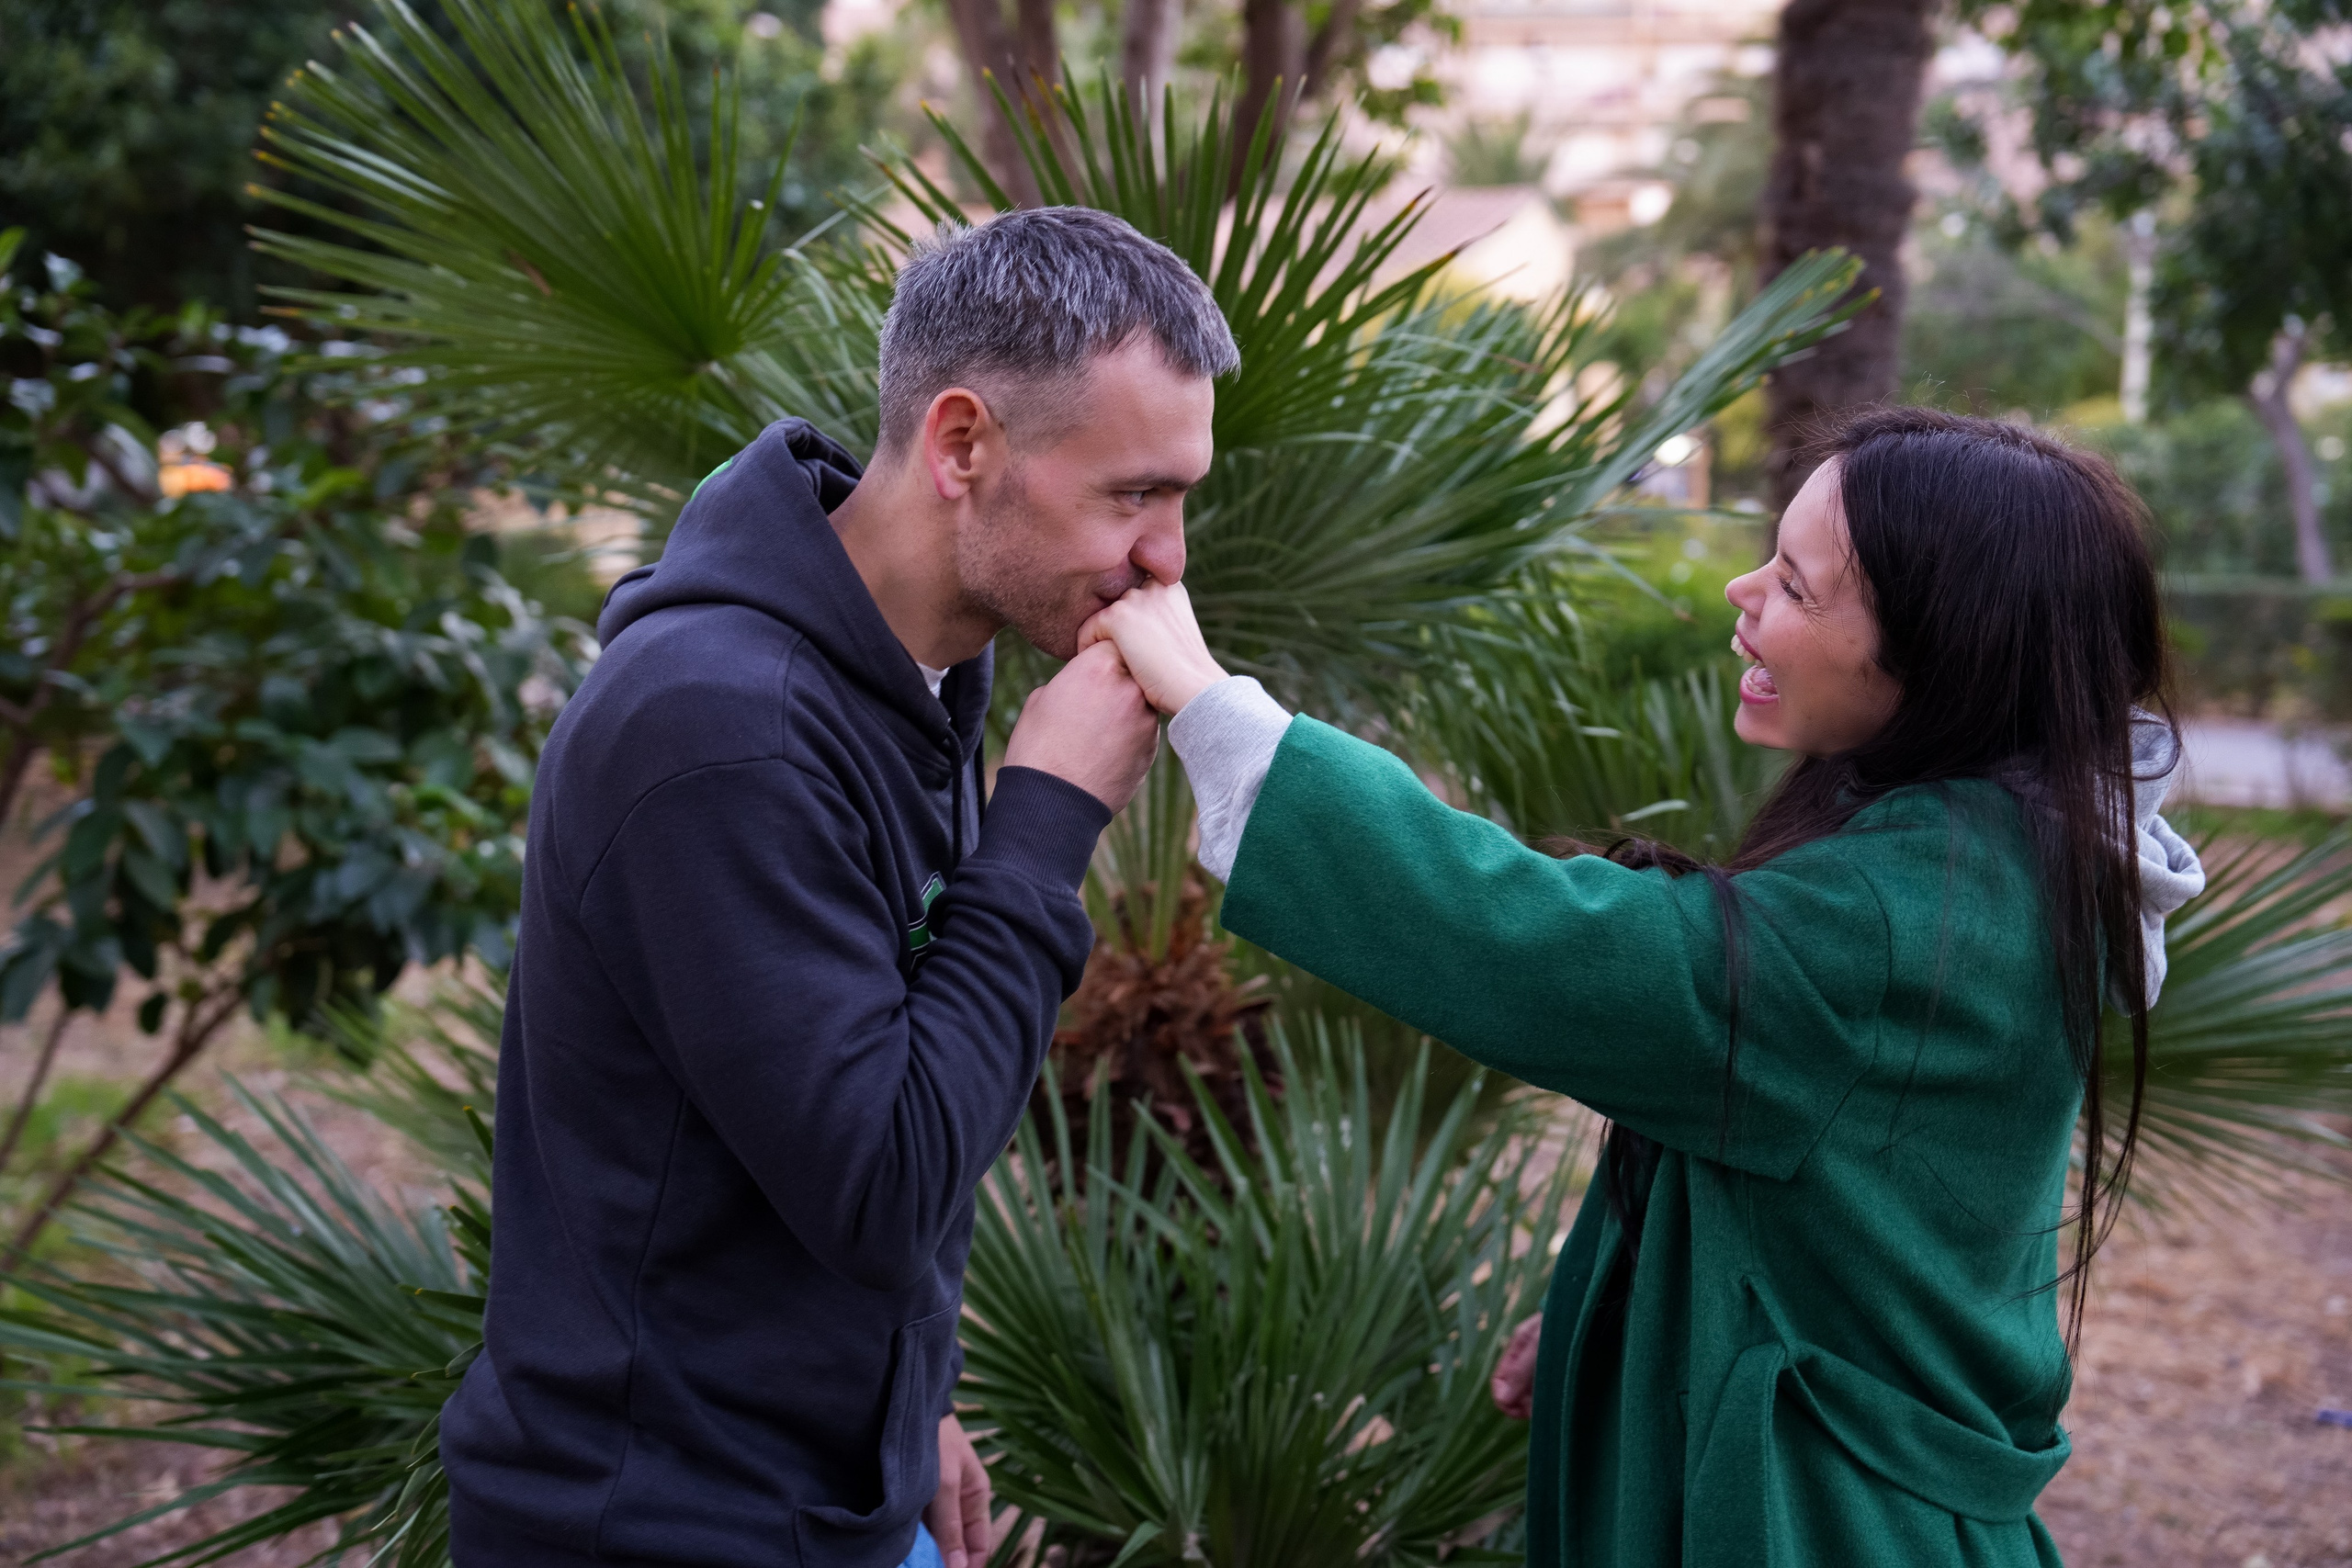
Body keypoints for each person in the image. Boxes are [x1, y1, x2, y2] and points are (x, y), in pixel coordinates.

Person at [1074, 407, 2207, 1566]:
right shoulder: (2003, 854)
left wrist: (1213, 708)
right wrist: (1619, 1311)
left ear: (1946, 651)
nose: (1740, 590)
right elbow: (1846, 1212)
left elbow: (1531, 945)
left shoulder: (1904, 925)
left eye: (1799, 587)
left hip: (1815, 1526)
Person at [440, 208, 1237, 1568]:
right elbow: (881, 1176)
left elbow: (860, 1070)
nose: (1167, 555)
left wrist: (897, 1406)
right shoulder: (716, 726)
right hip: (659, 1525)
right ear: (963, 444)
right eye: (1130, 494)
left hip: (827, 1488)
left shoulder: (921, 670)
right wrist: (1042, 824)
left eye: (1180, 495)